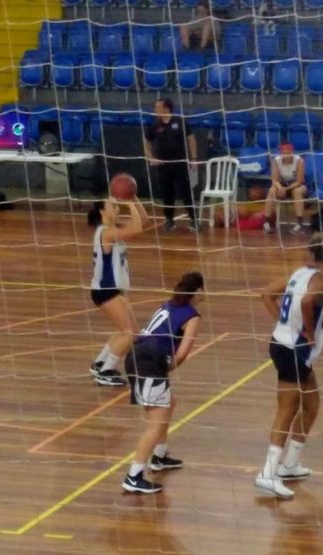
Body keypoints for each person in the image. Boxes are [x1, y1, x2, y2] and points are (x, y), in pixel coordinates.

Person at [256, 234, 323, 499]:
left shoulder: (299, 273)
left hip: (288, 347)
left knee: (312, 404)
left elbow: (267, 294)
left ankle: (290, 464)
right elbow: (306, 302)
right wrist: (309, 334)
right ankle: (268, 473)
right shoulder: (320, 280)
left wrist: (283, 325)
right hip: (292, 350)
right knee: (287, 411)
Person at [122, 272, 204, 494]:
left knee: (169, 403)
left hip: (136, 355)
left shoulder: (168, 305)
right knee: (155, 424)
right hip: (148, 363)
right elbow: (182, 354)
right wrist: (162, 370)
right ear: (198, 292)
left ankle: (160, 456)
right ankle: (134, 476)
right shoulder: (192, 316)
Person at [88, 195, 149, 387]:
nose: (117, 207)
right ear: (102, 212)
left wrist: (134, 198)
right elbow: (137, 229)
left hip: (113, 289)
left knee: (132, 332)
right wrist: (129, 203)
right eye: (112, 206)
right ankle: (106, 371)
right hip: (105, 290)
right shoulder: (106, 233)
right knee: (128, 333)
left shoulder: (112, 229)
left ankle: (99, 363)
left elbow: (143, 221)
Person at [144, 98, 199, 233]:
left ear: (167, 109)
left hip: (181, 163)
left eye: (158, 107)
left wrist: (193, 159)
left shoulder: (180, 121)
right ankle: (169, 220)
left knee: (187, 192)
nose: (155, 110)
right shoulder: (155, 126)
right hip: (164, 165)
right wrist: (151, 157)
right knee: (167, 193)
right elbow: (146, 140)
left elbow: (191, 140)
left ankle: (194, 219)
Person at [263, 143, 308, 235]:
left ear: (292, 153)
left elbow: (299, 181)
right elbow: (275, 180)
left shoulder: (299, 161)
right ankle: (266, 222)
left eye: (289, 153)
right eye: (285, 153)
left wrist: (286, 189)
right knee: (272, 190)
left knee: (297, 192)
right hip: (282, 184)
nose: (287, 155)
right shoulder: (276, 161)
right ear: (281, 153)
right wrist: (280, 188)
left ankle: (299, 223)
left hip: (297, 185)